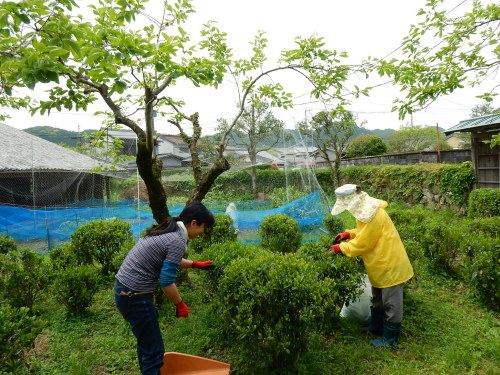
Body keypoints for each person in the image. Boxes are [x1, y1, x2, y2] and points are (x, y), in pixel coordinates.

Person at [114, 202, 216, 374]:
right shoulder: (176, 240)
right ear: (194, 223)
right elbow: (166, 281)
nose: (201, 233)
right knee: (154, 351)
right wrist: (180, 304)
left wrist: (194, 265)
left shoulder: (168, 231)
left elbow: (168, 260)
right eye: (202, 228)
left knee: (147, 344)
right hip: (136, 296)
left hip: (125, 291)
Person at [328, 184, 414, 347]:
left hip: (390, 264)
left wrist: (341, 248)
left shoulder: (373, 214)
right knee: (378, 298)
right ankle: (376, 326)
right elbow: (363, 231)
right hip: (379, 263)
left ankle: (390, 337)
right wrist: (349, 233)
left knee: (391, 303)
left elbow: (364, 242)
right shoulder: (366, 211)